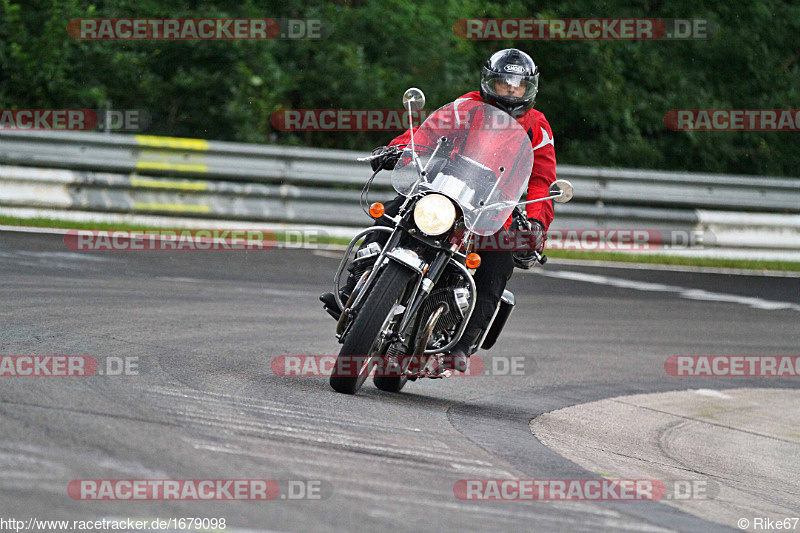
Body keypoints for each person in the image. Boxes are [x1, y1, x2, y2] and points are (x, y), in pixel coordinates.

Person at [321, 48, 557, 372]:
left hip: (491, 206)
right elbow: (427, 132)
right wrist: (398, 148)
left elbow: (542, 178)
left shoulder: (537, 127)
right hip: (444, 185)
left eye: (518, 86)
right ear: (491, 82)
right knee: (390, 214)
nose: (512, 91)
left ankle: (462, 343)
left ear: (530, 88)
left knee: (499, 261)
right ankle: (352, 290)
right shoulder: (467, 106)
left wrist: (534, 222)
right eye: (505, 84)